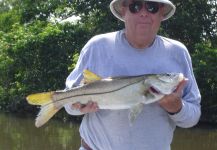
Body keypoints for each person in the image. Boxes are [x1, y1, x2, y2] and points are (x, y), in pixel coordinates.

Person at [64, 0, 201, 149]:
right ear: (123, 10)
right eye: (135, 6)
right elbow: (68, 105)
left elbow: (193, 117)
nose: (143, 12)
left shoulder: (178, 52)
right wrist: (78, 105)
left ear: (161, 12)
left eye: (152, 7)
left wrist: (177, 108)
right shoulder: (97, 46)